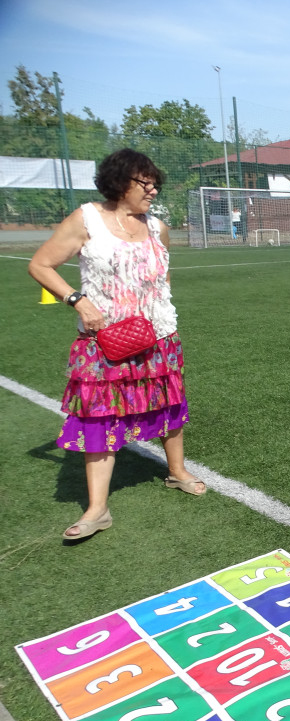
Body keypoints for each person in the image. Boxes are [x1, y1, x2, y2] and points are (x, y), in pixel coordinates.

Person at [28, 148, 206, 543]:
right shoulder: (86, 219)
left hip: (158, 335)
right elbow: (40, 264)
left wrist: (163, 316)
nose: (153, 190)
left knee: (169, 402)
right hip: (105, 340)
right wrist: (77, 300)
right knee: (99, 417)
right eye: (145, 183)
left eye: (155, 183)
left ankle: (176, 472)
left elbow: (163, 279)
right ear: (119, 181)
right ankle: (97, 509)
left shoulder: (157, 227)